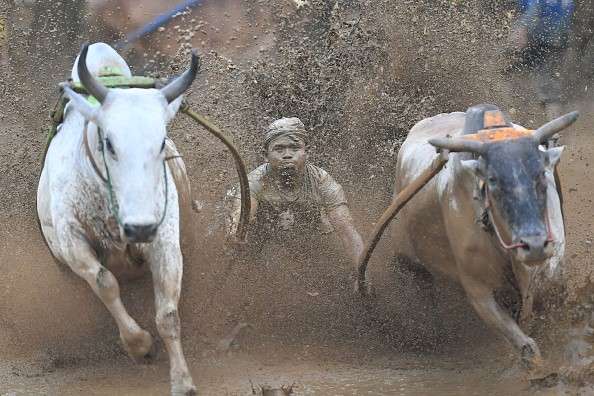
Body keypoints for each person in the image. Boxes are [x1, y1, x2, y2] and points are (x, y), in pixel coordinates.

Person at [226, 117, 364, 273]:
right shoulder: (254, 183)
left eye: (294, 148)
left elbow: (348, 232)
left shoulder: (323, 182)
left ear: (307, 151)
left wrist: (363, 273)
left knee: (329, 238)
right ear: (266, 154)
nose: (287, 155)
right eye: (279, 149)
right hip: (262, 231)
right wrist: (235, 235)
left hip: (307, 232)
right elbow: (240, 220)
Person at [506, 0, 574, 120]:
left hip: (536, 39)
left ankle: (514, 119)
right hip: (558, 40)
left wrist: (521, 28)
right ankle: (553, 128)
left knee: (512, 75)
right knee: (549, 83)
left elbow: (533, 11)